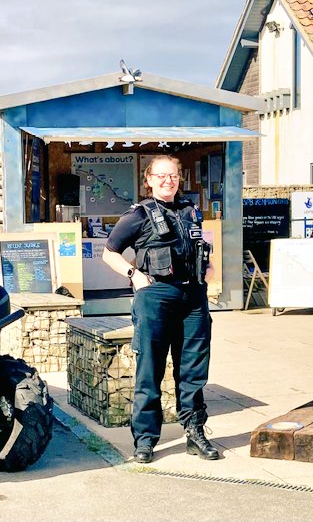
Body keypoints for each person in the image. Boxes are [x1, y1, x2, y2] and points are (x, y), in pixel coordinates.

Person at [102, 155, 218, 464]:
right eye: (162, 176)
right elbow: (110, 252)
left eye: (174, 176)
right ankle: (145, 441)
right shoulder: (138, 215)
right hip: (156, 296)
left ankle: (195, 433)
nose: (169, 181)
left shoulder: (191, 212)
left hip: (193, 297)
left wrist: (209, 267)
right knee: (150, 371)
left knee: (193, 371)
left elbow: (199, 248)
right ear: (149, 180)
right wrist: (134, 276)